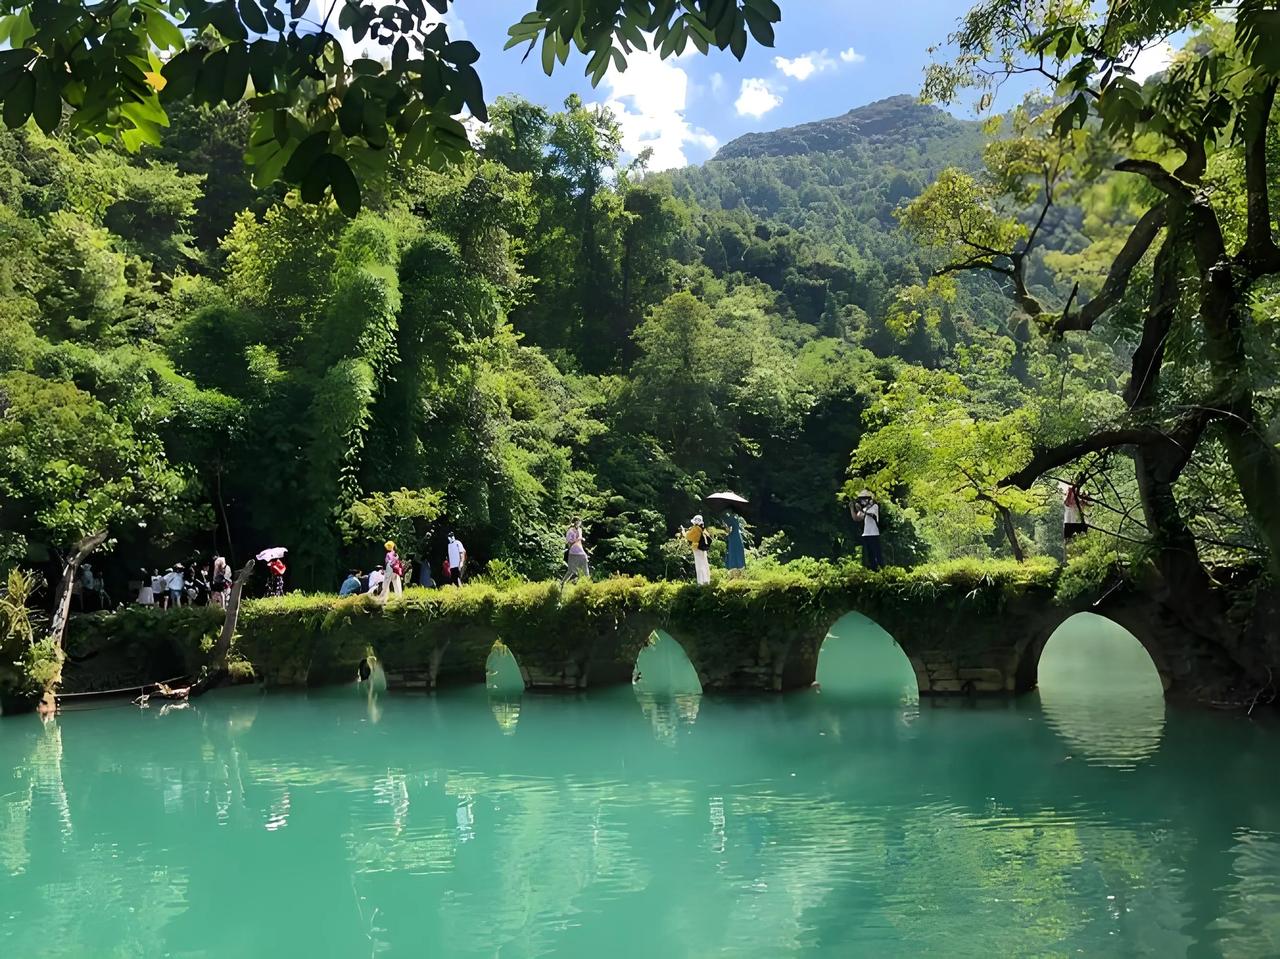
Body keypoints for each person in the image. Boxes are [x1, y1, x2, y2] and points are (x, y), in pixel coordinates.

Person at [850, 490, 883, 571]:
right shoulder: (864, 509)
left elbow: (870, 514)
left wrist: (860, 510)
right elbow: (857, 518)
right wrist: (852, 508)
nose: (863, 501)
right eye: (861, 499)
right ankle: (872, 569)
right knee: (869, 555)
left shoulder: (874, 506)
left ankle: (880, 569)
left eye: (864, 499)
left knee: (876, 554)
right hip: (866, 534)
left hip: (874, 534)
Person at [684, 515, 712, 585]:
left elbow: (688, 537)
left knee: (699, 565)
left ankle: (700, 582)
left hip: (697, 548)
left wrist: (684, 531)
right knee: (704, 564)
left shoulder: (695, 528)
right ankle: (706, 581)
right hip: (703, 548)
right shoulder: (702, 528)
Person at [562, 517, 591, 585]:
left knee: (585, 568)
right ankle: (562, 583)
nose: (579, 522)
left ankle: (588, 583)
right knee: (570, 571)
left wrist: (581, 540)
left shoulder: (580, 530)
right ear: (575, 522)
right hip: (573, 552)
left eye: (580, 521)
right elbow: (568, 542)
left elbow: (580, 541)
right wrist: (577, 539)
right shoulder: (570, 531)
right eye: (578, 521)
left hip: (580, 551)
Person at [724, 512, 746, 578]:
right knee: (739, 555)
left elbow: (728, 530)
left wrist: (727, 529)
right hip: (738, 538)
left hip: (733, 539)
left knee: (733, 555)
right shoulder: (736, 518)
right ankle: (740, 573)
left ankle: (735, 574)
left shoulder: (730, 519)